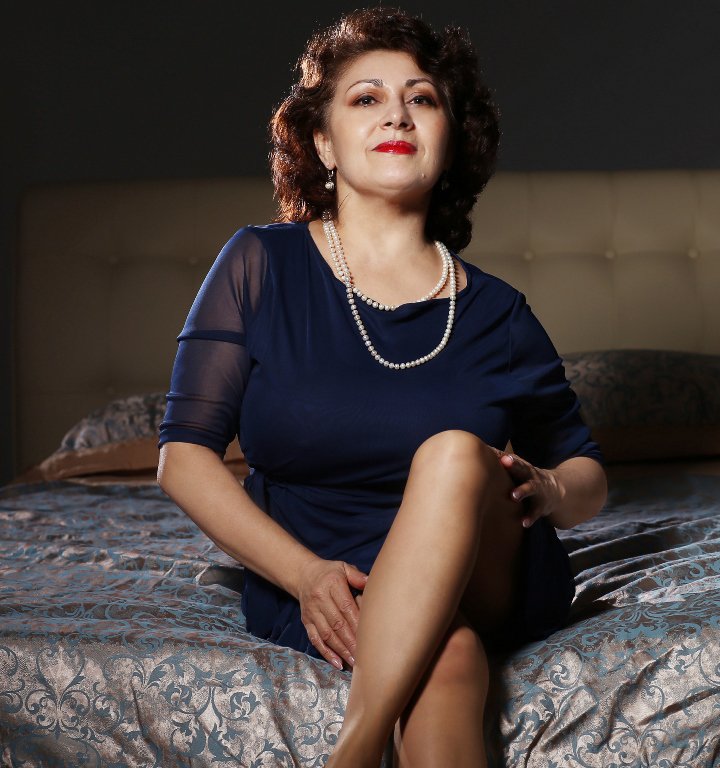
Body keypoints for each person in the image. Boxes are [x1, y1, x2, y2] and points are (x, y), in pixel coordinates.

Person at [157, 7, 606, 767]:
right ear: (323, 142)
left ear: (450, 139)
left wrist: (551, 487)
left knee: (456, 455)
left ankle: (355, 751)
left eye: (421, 98)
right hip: (320, 564)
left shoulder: (497, 313)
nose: (396, 113)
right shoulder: (259, 265)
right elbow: (183, 458)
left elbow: (588, 475)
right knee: (451, 656)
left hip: (485, 568)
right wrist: (304, 575)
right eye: (366, 98)